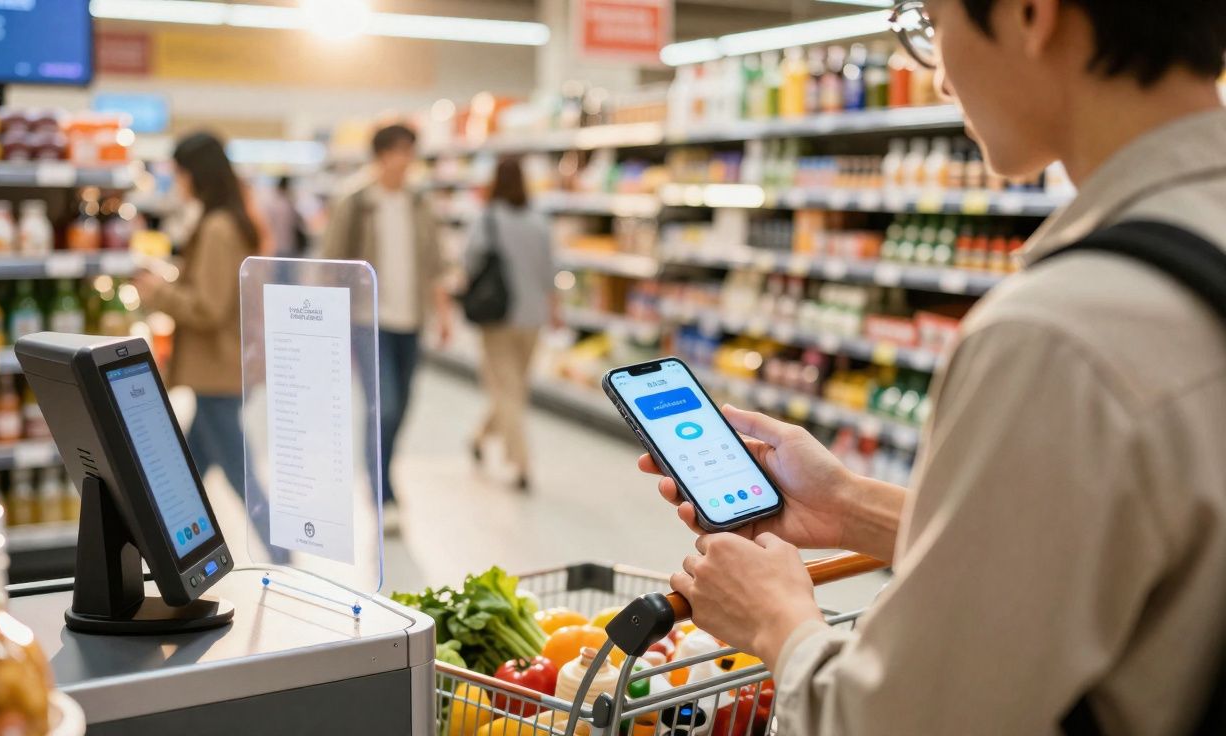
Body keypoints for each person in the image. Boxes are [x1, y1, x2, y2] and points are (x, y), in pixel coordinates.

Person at [643, 1, 1226, 733]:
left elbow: (902, 720)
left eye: (931, 25)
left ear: (1030, 14)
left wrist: (778, 623)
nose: (941, 79)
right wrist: (853, 507)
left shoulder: (1059, 336)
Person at [319, 123, 452, 533]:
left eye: (410, 151)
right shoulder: (357, 201)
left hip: (410, 320)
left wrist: (443, 313)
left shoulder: (417, 202)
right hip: (366, 321)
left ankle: (382, 473)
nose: (406, 159)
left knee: (402, 407)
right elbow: (332, 263)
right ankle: (382, 492)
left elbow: (434, 262)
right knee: (385, 406)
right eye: (399, 151)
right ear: (380, 155)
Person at [133, 131, 259, 505]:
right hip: (218, 369)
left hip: (217, 370)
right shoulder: (223, 220)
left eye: (178, 173)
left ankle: (281, 554)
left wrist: (158, 291)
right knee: (187, 475)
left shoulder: (218, 228)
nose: (175, 182)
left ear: (195, 174)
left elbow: (208, 307)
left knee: (241, 477)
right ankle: (170, 548)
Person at [465, 157, 559, 491]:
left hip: (498, 318)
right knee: (514, 389)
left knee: (507, 391)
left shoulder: (487, 219)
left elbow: (470, 262)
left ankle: (521, 464)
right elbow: (551, 272)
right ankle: (479, 438)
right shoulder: (539, 221)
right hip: (533, 319)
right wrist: (555, 311)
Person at [263, 176, 306, 257]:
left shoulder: (271, 204)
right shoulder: (290, 204)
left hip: (276, 245)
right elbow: (299, 222)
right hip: (289, 244)